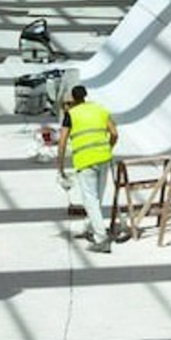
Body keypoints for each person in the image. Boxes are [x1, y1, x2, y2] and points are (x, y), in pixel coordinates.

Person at [63, 85, 119, 249]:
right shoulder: (100, 110)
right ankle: (90, 227)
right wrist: (108, 148)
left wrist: (60, 167)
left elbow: (62, 142)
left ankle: (101, 239)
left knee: (90, 200)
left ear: (73, 99)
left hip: (85, 161)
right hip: (104, 158)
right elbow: (114, 133)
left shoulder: (71, 115)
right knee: (97, 198)